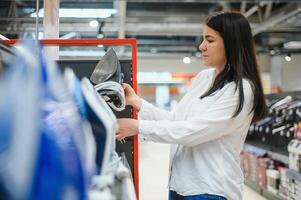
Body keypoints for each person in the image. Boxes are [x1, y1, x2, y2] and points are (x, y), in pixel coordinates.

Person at [116, 11, 267, 200]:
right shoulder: (205, 78)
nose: (201, 46)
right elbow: (176, 120)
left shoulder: (241, 90)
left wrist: (138, 127)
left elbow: (192, 132)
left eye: (210, 40)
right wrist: (137, 103)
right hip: (180, 184)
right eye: (203, 39)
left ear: (231, 44)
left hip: (211, 189)